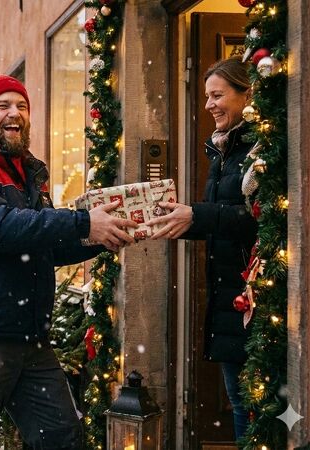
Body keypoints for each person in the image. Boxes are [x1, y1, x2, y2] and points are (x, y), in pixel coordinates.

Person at [0, 74, 137, 449]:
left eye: (22, 107)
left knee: (61, 436)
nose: (15, 114)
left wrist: (100, 237)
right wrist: (82, 221)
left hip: (29, 337)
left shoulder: (27, 170)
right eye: (3, 106)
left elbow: (45, 245)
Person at [147, 57, 258, 440]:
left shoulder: (258, 149)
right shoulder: (225, 150)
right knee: (243, 402)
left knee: (254, 408)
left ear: (248, 94)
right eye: (207, 95)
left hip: (255, 297)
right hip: (230, 296)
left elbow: (256, 217)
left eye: (217, 95)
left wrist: (196, 214)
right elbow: (223, 219)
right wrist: (179, 220)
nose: (208, 104)